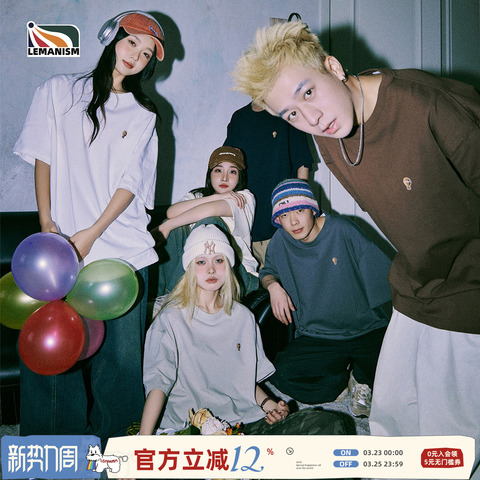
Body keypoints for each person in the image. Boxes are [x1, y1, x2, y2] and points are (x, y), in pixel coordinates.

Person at [233, 20, 480, 474]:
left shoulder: (424, 104)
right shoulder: (329, 139)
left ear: (332, 66)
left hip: (469, 285)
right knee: (391, 416)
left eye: (308, 92)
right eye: (291, 114)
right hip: (416, 283)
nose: (310, 119)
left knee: (453, 437)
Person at [13, 11, 165, 442]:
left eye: (147, 53)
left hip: (122, 251)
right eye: (132, 42)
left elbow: (131, 184)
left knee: (120, 364)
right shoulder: (58, 91)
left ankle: (120, 451)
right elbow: (43, 157)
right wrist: (48, 224)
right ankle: (51, 450)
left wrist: (92, 233)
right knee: (52, 353)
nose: (137, 56)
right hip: (60, 251)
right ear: (113, 37)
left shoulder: (143, 114)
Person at [140, 224, 349, 437]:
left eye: (218, 260)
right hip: (192, 429)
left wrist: (269, 405)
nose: (211, 269)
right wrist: (144, 439)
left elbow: (244, 381)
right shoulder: (170, 319)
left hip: (242, 425)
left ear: (229, 264)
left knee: (330, 424)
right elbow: (158, 384)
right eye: (201, 262)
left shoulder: (243, 317)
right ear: (189, 267)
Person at [260, 179, 391, 417]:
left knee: (400, 376)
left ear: (312, 209)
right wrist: (273, 287)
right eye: (284, 215)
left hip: (365, 329)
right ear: (277, 220)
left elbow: (381, 274)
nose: (293, 221)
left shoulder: (342, 229)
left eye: (299, 210)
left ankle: (361, 377)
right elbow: (267, 272)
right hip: (318, 334)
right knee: (281, 374)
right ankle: (341, 380)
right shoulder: (281, 240)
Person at [153, 145, 259, 297]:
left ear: (240, 176)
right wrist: (217, 196)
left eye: (232, 171)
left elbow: (211, 210)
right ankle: (165, 296)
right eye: (218, 170)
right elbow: (171, 212)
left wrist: (167, 226)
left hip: (238, 275)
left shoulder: (243, 198)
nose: (224, 177)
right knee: (176, 227)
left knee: (209, 224)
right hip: (196, 275)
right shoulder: (197, 196)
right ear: (210, 174)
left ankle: (174, 299)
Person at [224, 101, 314, 268]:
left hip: (281, 225)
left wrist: (299, 205)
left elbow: (302, 163)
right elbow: (226, 163)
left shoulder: (287, 114)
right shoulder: (239, 118)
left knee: (285, 279)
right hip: (245, 226)